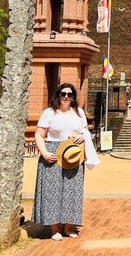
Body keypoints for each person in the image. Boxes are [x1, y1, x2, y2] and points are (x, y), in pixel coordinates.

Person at [33, 83, 99, 241]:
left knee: (72, 191)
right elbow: (39, 135)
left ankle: (68, 226)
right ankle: (54, 228)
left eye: (70, 95)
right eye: (63, 94)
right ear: (58, 95)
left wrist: (84, 136)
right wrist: (44, 153)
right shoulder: (49, 113)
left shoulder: (79, 112)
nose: (66, 97)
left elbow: (85, 131)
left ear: (73, 97)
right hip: (53, 153)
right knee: (52, 191)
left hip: (73, 154)